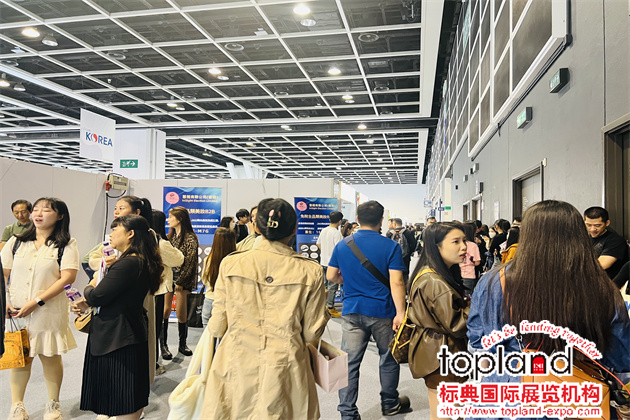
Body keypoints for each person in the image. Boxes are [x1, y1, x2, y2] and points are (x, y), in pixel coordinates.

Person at [468, 201, 630, 415]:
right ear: (578, 234)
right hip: (576, 396)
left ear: (527, 235)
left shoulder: (493, 281)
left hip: (506, 395)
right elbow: (621, 357)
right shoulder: (600, 287)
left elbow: (478, 342)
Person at [202, 198, 329, 418]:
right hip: (287, 364)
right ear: (294, 228)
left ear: (257, 227)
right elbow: (311, 333)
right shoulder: (311, 271)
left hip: (235, 360)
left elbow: (217, 327)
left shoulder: (231, 263)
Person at [327, 200, 410, 420]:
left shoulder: (343, 245)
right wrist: (400, 313)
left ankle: (347, 413)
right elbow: (397, 282)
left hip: (352, 311)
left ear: (357, 219)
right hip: (383, 312)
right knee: (388, 358)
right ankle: (390, 403)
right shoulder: (390, 246)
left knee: (348, 364)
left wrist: (349, 282)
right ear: (381, 220)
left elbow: (331, 276)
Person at [74, 215, 163, 420]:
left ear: (130, 234)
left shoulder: (129, 263)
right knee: (130, 393)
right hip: (127, 330)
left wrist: (89, 288)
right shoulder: (137, 260)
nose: (111, 234)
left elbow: (96, 296)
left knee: (123, 394)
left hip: (118, 336)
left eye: (116, 229)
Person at [1, 197, 80, 420]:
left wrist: (37, 301)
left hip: (48, 311)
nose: (38, 213)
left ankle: (53, 404)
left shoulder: (66, 244)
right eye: (35, 209)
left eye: (46, 210)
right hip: (16, 311)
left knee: (49, 355)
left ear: (60, 216)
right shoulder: (16, 242)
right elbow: (3, 274)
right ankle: (17, 405)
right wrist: (4, 300)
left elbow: (67, 277)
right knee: (20, 356)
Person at [88, 196, 159, 382]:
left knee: (123, 370)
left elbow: (96, 296)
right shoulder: (115, 244)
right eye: (116, 208)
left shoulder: (142, 247)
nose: (116, 211)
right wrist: (105, 265)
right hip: (113, 302)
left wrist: (91, 287)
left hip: (127, 311)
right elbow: (91, 258)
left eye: (122, 208)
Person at [406, 222, 469, 420]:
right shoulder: (435, 282)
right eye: (456, 242)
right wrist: (475, 305)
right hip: (443, 354)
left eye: (464, 240)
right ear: (436, 246)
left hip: (434, 351)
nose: (464, 247)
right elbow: (457, 325)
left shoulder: (430, 273)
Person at [151, 210, 184, 367]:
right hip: (159, 288)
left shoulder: (142, 240)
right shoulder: (161, 242)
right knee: (155, 325)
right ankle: (154, 363)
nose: (169, 220)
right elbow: (178, 259)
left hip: (149, 289)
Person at [166, 206, 199, 356]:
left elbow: (190, 262)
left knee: (181, 313)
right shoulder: (170, 237)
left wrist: (180, 281)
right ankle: (163, 345)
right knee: (165, 311)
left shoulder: (190, 238)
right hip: (168, 277)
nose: (168, 220)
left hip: (182, 279)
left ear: (179, 219)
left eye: (171, 217)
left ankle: (182, 344)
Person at [200, 227, 236, 326]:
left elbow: (204, 280)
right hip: (229, 301)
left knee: (207, 333)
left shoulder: (209, 259)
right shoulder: (236, 262)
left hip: (210, 299)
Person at [584, 206, 629, 279]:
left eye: (597, 225)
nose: (592, 229)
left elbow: (601, 265)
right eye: (588, 225)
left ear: (607, 223)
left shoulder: (615, 241)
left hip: (606, 282)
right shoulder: (583, 237)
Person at [317, 210, 344, 318]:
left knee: (325, 285)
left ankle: (323, 307)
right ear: (340, 221)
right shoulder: (336, 233)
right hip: (333, 264)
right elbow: (340, 249)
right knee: (332, 286)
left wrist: (325, 252)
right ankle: (330, 307)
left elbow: (318, 244)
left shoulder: (324, 230)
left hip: (323, 261)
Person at [460, 221, 481, 295]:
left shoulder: (459, 243)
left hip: (457, 273)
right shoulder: (473, 245)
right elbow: (477, 262)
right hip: (469, 274)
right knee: (467, 297)